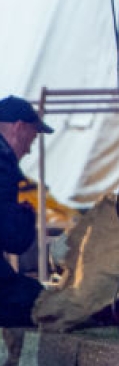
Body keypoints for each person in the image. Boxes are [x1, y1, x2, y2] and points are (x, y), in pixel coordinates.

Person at [0, 96, 52, 327]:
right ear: (19, 128)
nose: (30, 149)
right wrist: (26, 216)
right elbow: (13, 239)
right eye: (32, 137)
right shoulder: (2, 167)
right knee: (39, 301)